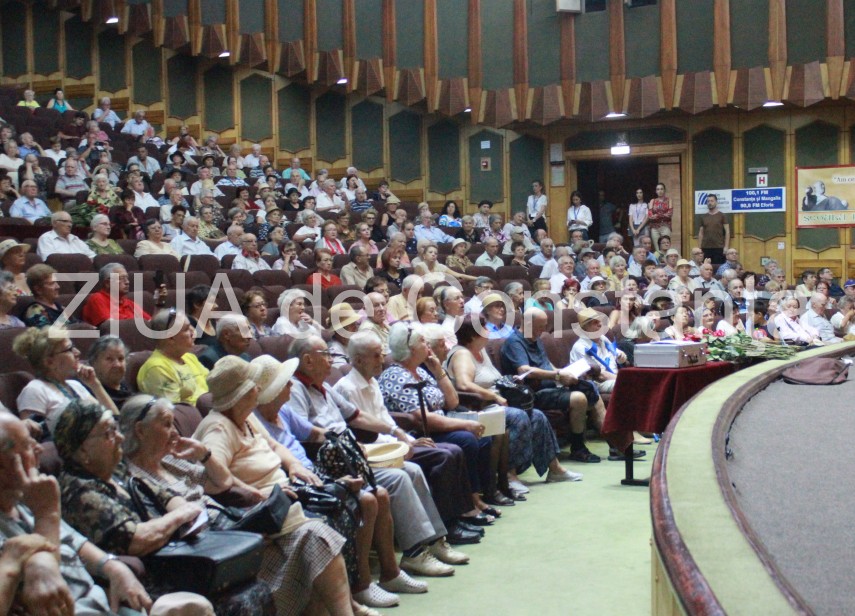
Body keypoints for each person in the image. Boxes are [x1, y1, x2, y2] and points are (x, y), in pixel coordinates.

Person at [53, 400, 272, 614]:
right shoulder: (79, 490)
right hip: (149, 578)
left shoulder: (116, 469)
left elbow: (169, 498)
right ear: (82, 450)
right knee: (240, 599)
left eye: (116, 429)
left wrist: (176, 517)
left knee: (255, 585)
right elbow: (137, 540)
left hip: (177, 557)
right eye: (108, 433)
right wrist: (177, 518)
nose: (120, 437)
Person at [186, 358, 359, 614]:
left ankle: (347, 603)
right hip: (260, 512)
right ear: (243, 394)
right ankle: (346, 608)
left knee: (344, 501)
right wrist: (260, 495)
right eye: (253, 385)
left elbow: (275, 446)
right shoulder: (218, 428)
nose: (259, 388)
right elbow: (215, 479)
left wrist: (294, 465)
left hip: (285, 495)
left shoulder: (246, 417)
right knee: (320, 532)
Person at [447, 315, 580, 491]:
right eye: (485, 327)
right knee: (518, 416)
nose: (488, 330)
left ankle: (555, 469)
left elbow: (493, 379)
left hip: (497, 403)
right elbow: (464, 385)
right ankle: (509, 475)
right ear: (473, 334)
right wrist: (494, 396)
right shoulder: (462, 354)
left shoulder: (481, 350)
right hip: (477, 408)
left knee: (538, 416)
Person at [501, 308, 626, 463]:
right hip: (531, 393)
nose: (543, 331)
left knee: (589, 389)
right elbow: (525, 370)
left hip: (552, 385)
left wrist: (566, 373)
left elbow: (548, 365)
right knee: (579, 398)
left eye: (544, 326)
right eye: (540, 327)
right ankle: (578, 447)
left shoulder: (535, 338)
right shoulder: (514, 342)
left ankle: (616, 446)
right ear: (527, 324)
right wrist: (558, 375)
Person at [13, 326, 118, 435]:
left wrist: (95, 385)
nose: (77, 352)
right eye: (69, 349)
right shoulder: (34, 390)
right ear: (49, 362)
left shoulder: (75, 385)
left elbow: (115, 419)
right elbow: (32, 437)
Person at [137, 310, 210, 406]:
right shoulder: (157, 368)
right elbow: (175, 410)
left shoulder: (189, 357)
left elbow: (213, 384)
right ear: (171, 338)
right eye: (187, 329)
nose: (193, 332)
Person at [647, 182, 672, 250]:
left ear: (664, 190)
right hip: (654, 227)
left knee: (666, 247)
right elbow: (650, 215)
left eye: (661, 189)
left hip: (665, 226)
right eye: (658, 189)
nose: (660, 191)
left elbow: (669, 214)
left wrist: (656, 215)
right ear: (656, 191)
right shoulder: (652, 201)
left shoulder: (669, 200)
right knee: (657, 248)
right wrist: (663, 215)